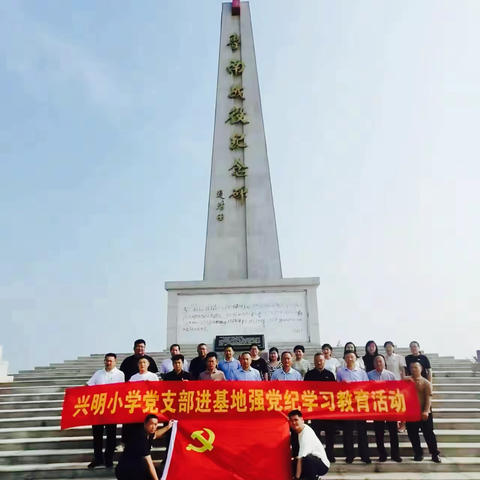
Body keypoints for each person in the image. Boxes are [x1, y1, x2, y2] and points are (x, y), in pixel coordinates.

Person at [87, 353, 125, 469]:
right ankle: (98, 459)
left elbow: (121, 390)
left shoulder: (120, 374)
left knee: (111, 435)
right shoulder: (98, 374)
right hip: (98, 408)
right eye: (107, 361)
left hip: (111, 409)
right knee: (97, 435)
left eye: (111, 361)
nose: (108, 363)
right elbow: (88, 386)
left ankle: (108, 459)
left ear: (115, 362)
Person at [337, 352, 371, 464]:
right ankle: (349, 455)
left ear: (355, 358)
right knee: (348, 431)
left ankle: (364, 455)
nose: (350, 359)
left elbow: (367, 387)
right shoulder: (340, 372)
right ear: (345, 359)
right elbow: (336, 388)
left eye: (352, 357)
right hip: (347, 404)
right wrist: (342, 384)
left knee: (362, 431)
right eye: (347, 357)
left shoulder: (361, 372)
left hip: (359, 404)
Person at [115, 415, 173, 480]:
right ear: (145, 424)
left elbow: (156, 434)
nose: (153, 427)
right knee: (153, 474)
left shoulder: (147, 434)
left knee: (158, 473)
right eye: (151, 423)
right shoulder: (141, 438)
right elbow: (150, 464)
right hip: (125, 470)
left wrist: (168, 427)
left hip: (135, 467)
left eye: (155, 424)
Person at [368, 355, 402, 462]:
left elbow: (396, 391)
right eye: (377, 362)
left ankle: (395, 454)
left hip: (390, 406)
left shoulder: (390, 375)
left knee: (393, 432)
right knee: (379, 432)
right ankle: (382, 453)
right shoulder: (369, 375)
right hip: (377, 407)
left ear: (384, 363)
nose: (379, 363)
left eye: (380, 361)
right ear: (374, 364)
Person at [406, 362, 441, 463]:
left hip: (424, 412)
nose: (414, 369)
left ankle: (435, 454)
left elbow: (428, 398)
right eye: (412, 367)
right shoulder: (408, 381)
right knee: (413, 434)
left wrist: (426, 411)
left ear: (421, 368)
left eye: (416, 367)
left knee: (429, 434)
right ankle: (418, 453)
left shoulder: (426, 383)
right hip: (411, 413)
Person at [304, 353, 336, 463]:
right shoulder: (309, 375)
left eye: (321, 360)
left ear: (324, 361)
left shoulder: (330, 375)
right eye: (317, 360)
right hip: (315, 410)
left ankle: (330, 455)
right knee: (315, 434)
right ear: (314, 361)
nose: (319, 362)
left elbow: (335, 392)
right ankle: (317, 455)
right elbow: (305, 392)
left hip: (328, 410)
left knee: (330, 434)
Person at [289, 410, 330, 480]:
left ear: (302, 420)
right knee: (291, 463)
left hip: (322, 465)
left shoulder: (306, 435)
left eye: (296, 420)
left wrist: (296, 478)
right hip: (310, 460)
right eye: (291, 420)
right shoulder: (300, 430)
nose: (294, 423)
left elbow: (301, 459)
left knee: (306, 459)